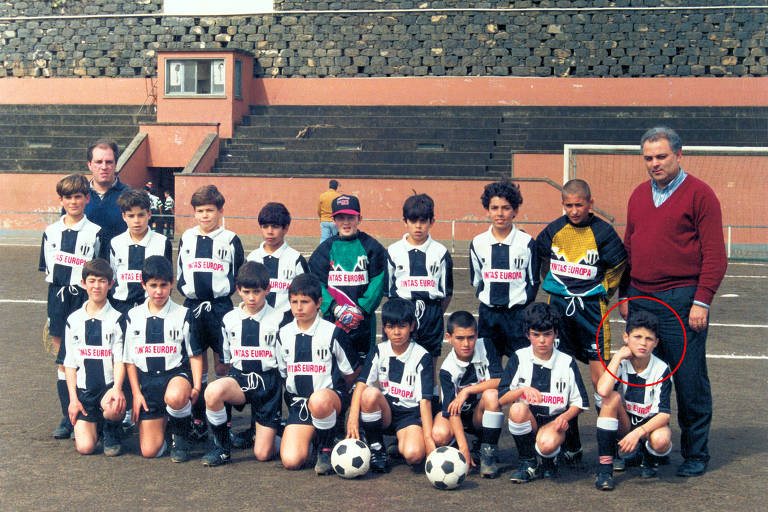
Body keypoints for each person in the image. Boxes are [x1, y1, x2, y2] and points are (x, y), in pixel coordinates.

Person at [619, 126, 727, 477]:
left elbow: (715, 255)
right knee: (643, 379)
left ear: (679, 155)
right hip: (641, 299)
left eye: (661, 156)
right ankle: (648, 450)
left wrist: (702, 301)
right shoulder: (637, 195)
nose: (654, 163)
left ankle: (695, 454)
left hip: (682, 301)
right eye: (648, 158)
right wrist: (625, 294)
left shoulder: (701, 195)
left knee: (690, 380)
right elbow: (630, 249)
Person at [535, 179, 626, 464]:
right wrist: (556, 288)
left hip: (592, 313)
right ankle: (570, 444)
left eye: (579, 205)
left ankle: (615, 446)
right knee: (560, 378)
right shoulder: (553, 230)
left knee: (602, 382)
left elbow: (619, 263)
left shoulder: (603, 232)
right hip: (560, 311)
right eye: (568, 205)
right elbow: (541, 260)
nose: (574, 211)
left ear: (590, 203)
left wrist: (602, 291)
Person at [233, 202, 307, 449]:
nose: (270, 231)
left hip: (285, 327)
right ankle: (256, 427)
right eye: (265, 226)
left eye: (275, 226)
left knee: (283, 376)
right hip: (257, 324)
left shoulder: (295, 258)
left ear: (286, 228)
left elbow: (301, 292)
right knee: (258, 374)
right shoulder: (253, 257)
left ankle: (285, 421)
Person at [39, 173, 106, 439]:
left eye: (79, 196)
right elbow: (47, 267)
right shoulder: (50, 231)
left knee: (89, 356)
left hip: (84, 298)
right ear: (61, 200)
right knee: (63, 361)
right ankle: (68, 414)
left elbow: (100, 270)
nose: (74, 201)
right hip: (57, 297)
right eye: (68, 197)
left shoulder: (96, 233)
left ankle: (94, 416)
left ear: (87, 199)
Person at [176, 185, 245, 441]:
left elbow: (239, 274)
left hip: (220, 307)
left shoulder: (230, 239)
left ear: (220, 211)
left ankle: (222, 417)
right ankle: (198, 416)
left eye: (210, 210)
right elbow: (181, 270)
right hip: (193, 307)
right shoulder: (187, 237)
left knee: (222, 362)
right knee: (196, 361)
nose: (205, 215)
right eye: (200, 211)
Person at [201, 262, 284, 466]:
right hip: (240, 380)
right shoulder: (229, 319)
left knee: (263, 454)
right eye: (246, 292)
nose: (252, 297)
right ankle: (222, 448)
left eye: (257, 291)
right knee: (212, 391)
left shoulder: (280, 319)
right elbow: (226, 361)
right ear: (238, 290)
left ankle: (282, 433)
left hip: (268, 386)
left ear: (268, 289)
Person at [276, 274, 359, 474]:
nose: (299, 307)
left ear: (319, 302)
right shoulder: (283, 334)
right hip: (300, 405)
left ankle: (326, 447)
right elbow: (284, 373)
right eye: (294, 302)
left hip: (329, 400)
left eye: (305, 302)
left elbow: (352, 372)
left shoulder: (332, 332)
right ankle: (316, 435)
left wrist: (337, 398)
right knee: (291, 461)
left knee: (320, 400)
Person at [123, 256, 203, 461]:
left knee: (176, 397)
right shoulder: (133, 316)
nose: (158, 291)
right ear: (143, 285)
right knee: (150, 451)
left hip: (175, 375)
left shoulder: (184, 314)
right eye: (153, 285)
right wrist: (136, 394)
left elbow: (195, 354)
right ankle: (167, 426)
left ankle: (181, 436)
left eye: (163, 285)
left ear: (172, 284)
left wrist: (195, 387)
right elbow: (129, 360)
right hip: (147, 384)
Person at [499, 302, 589, 483]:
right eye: (536, 335)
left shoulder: (566, 362)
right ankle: (528, 462)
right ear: (527, 335)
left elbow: (580, 403)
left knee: (547, 444)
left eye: (547, 334)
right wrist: (522, 390)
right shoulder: (519, 358)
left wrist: (564, 418)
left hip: (555, 423)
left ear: (556, 333)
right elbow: (502, 398)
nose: (542, 340)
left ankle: (550, 459)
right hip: (530, 422)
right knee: (516, 410)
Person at [347, 298, 436, 473]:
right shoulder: (379, 350)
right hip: (385, 411)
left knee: (414, 455)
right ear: (385, 328)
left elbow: (425, 402)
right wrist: (352, 418)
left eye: (402, 326)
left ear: (411, 326)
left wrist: (428, 438)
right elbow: (361, 384)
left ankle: (400, 444)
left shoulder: (422, 356)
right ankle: (377, 447)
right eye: (390, 327)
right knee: (369, 394)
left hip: (409, 415)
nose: (396, 332)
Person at [387, 193, 453, 412]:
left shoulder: (441, 253)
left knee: (429, 365)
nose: (418, 226)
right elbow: (390, 290)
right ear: (405, 221)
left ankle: (432, 410)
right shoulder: (394, 251)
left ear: (432, 222)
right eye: (413, 221)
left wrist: (432, 313)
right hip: (402, 315)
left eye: (423, 221)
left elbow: (446, 293)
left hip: (431, 315)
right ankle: (401, 411)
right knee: (401, 362)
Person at [594, 311, 672, 491]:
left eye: (649, 339)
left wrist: (638, 433)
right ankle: (605, 469)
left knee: (661, 439)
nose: (643, 343)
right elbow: (603, 390)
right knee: (610, 398)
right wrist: (617, 357)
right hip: (627, 424)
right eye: (637, 337)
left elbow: (664, 414)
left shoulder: (661, 369)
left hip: (649, 426)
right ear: (626, 338)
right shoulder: (621, 362)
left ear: (656, 343)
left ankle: (649, 458)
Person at [308, 194, 387, 365]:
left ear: (359, 218)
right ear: (334, 220)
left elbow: (378, 280)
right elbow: (316, 282)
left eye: (351, 217)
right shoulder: (325, 249)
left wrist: (360, 309)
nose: (346, 222)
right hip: (333, 320)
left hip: (363, 322)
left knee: (363, 368)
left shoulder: (372, 247)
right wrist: (334, 308)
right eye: (341, 218)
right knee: (334, 367)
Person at [63, 258, 127, 456]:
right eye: (92, 281)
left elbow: (119, 360)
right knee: (85, 448)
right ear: (83, 283)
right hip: (85, 392)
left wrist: (117, 389)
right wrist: (73, 399)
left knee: (113, 407)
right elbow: (70, 364)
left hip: (108, 388)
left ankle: (111, 428)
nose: (96, 286)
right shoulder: (73, 320)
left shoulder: (117, 318)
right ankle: (96, 425)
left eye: (101, 281)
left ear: (111, 284)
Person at [470, 181, 540, 359]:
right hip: (489, 315)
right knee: (488, 367)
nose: (500, 213)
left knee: (520, 366)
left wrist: (521, 305)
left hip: (518, 315)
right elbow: (478, 280)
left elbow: (533, 281)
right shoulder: (478, 243)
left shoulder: (526, 243)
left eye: (506, 208)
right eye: (494, 208)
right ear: (487, 210)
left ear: (515, 210)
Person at [431, 311, 503, 478]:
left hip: (479, 413)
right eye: (460, 338)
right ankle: (458, 448)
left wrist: (467, 390)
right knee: (439, 434)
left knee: (492, 395)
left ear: (477, 335)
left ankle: (488, 452)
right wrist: (464, 447)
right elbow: (452, 411)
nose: (466, 344)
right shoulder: (447, 370)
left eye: (471, 337)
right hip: (457, 416)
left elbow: (500, 380)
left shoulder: (486, 345)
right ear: (449, 338)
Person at [110, 189, 173, 315]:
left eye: (141, 215)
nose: (136, 221)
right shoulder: (116, 243)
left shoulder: (162, 242)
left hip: (152, 307)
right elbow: (113, 276)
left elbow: (168, 279)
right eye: (131, 216)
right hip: (121, 306)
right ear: (124, 216)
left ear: (149, 214)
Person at [84, 139, 130, 245]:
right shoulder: (76, 196)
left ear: (115, 164)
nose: (104, 167)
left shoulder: (131, 196)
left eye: (109, 162)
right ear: (89, 165)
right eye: (98, 162)